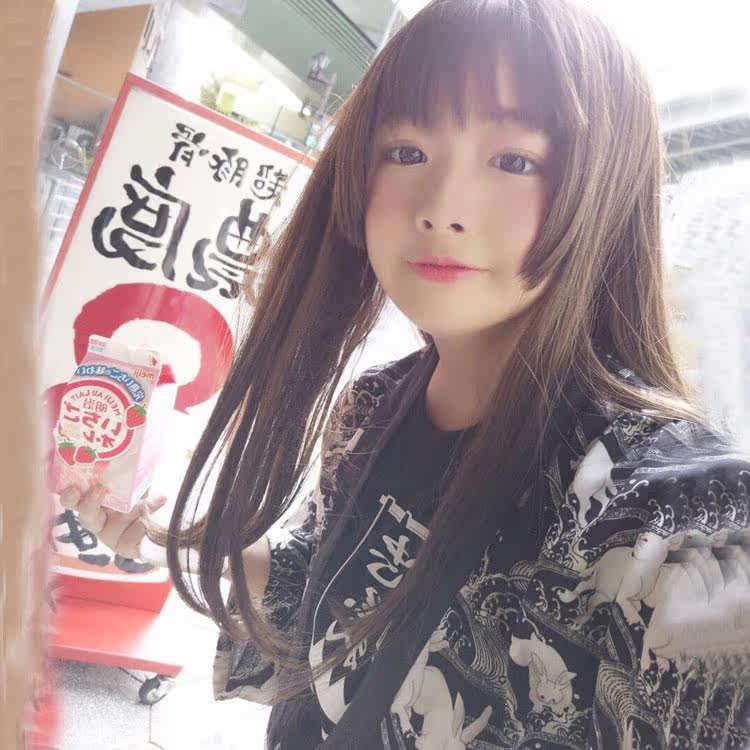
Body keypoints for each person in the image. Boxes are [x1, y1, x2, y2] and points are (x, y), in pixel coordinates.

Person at [58, 0, 750, 747]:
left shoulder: (674, 519)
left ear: (606, 193)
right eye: (407, 152)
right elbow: (328, 595)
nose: (441, 208)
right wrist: (177, 539)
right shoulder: (373, 405)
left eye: (515, 161)